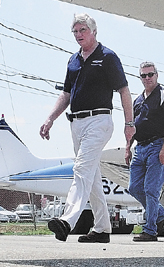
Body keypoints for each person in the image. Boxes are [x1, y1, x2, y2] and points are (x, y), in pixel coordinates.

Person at [39, 13, 134, 243]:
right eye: (75, 31)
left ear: (93, 31)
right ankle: (102, 228)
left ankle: (67, 221)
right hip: (76, 123)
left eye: (82, 30)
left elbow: (124, 91)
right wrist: (50, 118)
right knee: (91, 177)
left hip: (99, 121)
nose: (78, 35)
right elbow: (66, 94)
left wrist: (129, 124)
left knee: (81, 168)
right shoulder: (73, 60)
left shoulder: (108, 57)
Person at [126, 61, 164, 242]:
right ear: (139, 78)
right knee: (133, 187)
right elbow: (132, 125)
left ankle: (150, 230)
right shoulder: (138, 100)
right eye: (143, 75)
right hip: (139, 148)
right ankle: (161, 215)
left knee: (151, 189)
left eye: (150, 74)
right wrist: (128, 147)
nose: (147, 78)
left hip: (157, 146)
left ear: (157, 75)